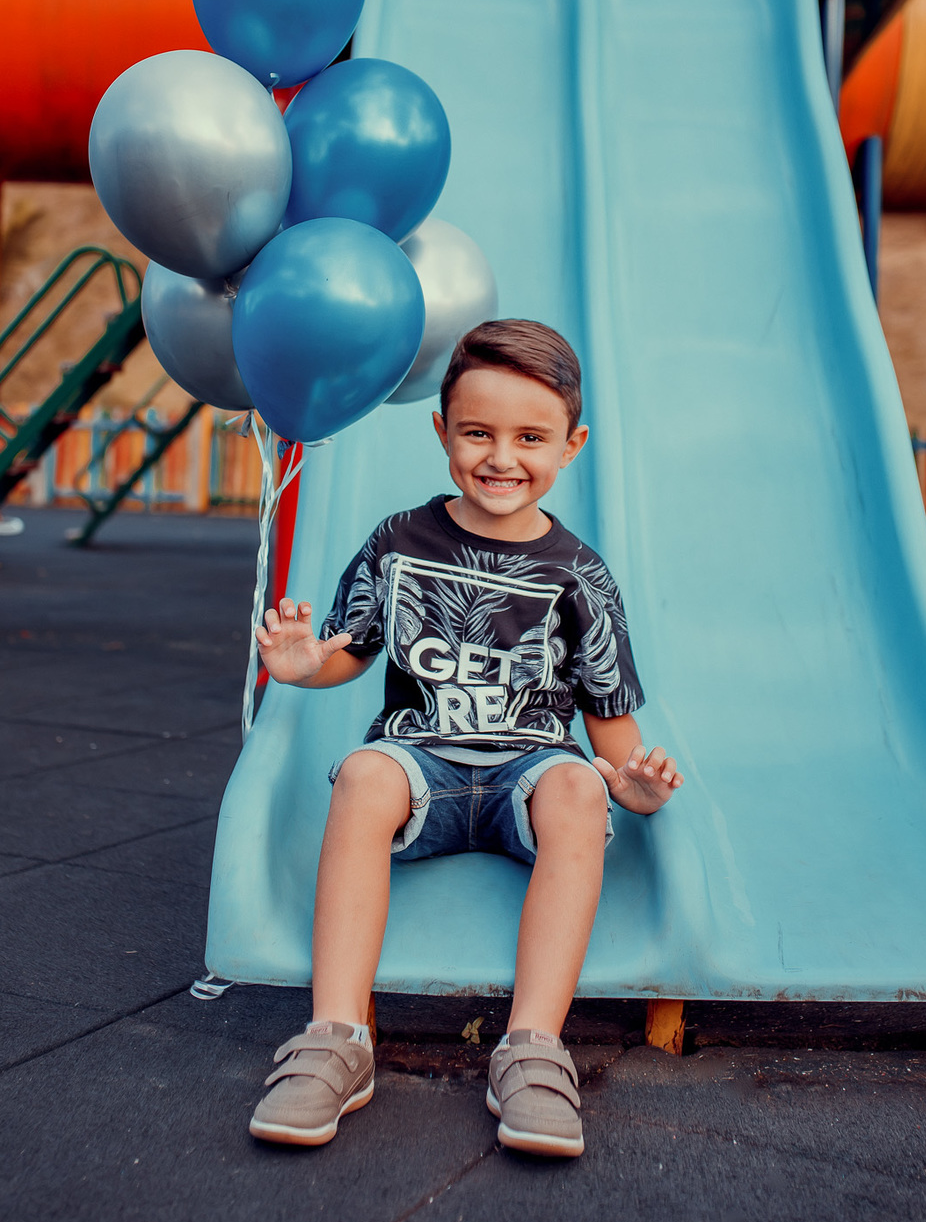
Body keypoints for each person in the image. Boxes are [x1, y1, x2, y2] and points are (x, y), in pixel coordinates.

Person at [249, 319, 683, 1159]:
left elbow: (609, 727)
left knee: (577, 785)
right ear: (442, 430)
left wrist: (633, 784)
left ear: (571, 445)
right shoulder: (398, 542)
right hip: (422, 764)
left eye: (531, 438)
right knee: (364, 774)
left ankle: (531, 1048)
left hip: (528, 771)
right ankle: (336, 1037)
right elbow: (350, 651)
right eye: (478, 432)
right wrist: (304, 666)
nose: (502, 457)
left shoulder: (580, 575)